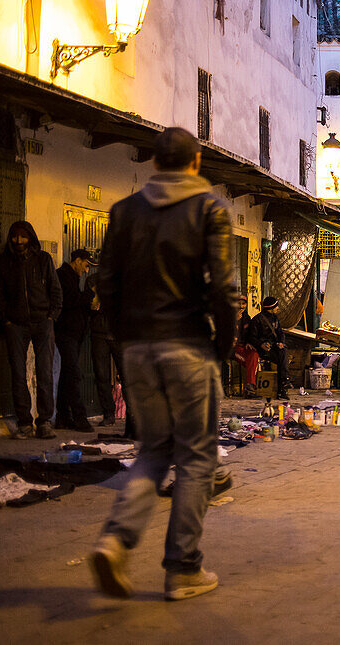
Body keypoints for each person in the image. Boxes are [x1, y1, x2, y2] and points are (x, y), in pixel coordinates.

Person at [91, 126, 235, 601]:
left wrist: (124, 338)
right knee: (195, 458)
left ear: (154, 163)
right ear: (195, 163)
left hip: (137, 349)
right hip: (188, 346)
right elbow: (221, 288)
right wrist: (223, 345)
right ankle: (182, 569)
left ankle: (115, 542)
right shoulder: (210, 207)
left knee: (153, 451)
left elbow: (105, 282)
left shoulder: (124, 211)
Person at [0, 220, 62, 439]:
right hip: (16, 324)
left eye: (23, 236)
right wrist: (6, 320)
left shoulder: (43, 260)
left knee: (44, 373)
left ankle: (45, 422)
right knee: (18, 375)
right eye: (15, 236)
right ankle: (24, 423)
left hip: (43, 322)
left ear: (30, 237)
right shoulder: (3, 263)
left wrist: (52, 317)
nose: (19, 240)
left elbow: (55, 289)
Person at [55, 249, 96, 432]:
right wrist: (89, 295)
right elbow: (69, 301)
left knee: (66, 376)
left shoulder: (72, 277)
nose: (87, 270)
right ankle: (80, 418)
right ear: (77, 261)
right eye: (86, 265)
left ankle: (64, 417)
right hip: (66, 334)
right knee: (73, 375)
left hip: (74, 334)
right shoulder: (63, 276)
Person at [88, 272, 123, 428]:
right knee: (101, 375)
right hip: (100, 332)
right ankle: (108, 414)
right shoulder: (94, 280)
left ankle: (133, 416)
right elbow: (91, 303)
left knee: (126, 375)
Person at [247, 296, 290, 400]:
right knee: (282, 359)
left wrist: (281, 342)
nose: (277, 308)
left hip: (273, 347)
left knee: (283, 353)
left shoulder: (275, 318)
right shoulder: (257, 320)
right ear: (271, 308)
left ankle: (283, 387)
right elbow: (251, 337)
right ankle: (283, 388)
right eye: (276, 306)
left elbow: (280, 332)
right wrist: (261, 344)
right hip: (262, 350)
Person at [232, 294, 260, 397]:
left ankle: (250, 387)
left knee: (254, 355)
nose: (241, 306)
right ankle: (250, 388)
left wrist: (249, 343)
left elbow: (250, 334)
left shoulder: (247, 318)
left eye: (243, 304)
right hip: (233, 349)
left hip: (244, 347)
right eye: (238, 303)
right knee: (250, 363)